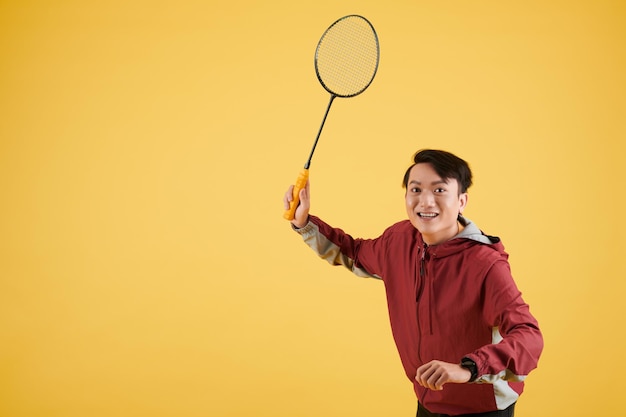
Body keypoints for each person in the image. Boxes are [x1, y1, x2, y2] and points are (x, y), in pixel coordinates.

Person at [283, 149, 543, 417]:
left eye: (440, 190)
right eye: (416, 190)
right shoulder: (399, 240)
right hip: (428, 402)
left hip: (482, 409)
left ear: (462, 201)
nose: (426, 201)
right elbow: (356, 253)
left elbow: (528, 337)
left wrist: (468, 368)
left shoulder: (485, 265)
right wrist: (304, 223)